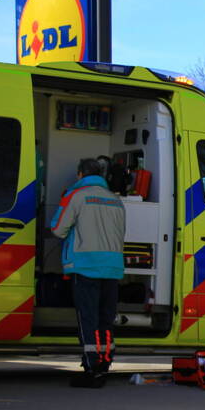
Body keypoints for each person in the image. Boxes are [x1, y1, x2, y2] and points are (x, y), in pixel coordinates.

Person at [50, 158, 126, 388]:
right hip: (112, 267)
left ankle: (91, 368)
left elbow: (58, 229)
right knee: (105, 319)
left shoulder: (77, 196)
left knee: (88, 319)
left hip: (86, 266)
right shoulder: (115, 200)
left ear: (80, 174)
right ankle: (104, 363)